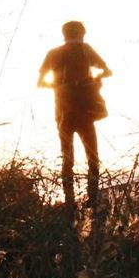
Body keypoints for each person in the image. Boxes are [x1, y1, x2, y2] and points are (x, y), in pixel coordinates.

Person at [38, 21, 112, 209]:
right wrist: (93, 81)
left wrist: (60, 87)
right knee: (93, 158)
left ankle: (69, 201)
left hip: (63, 113)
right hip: (85, 113)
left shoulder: (53, 53)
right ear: (81, 34)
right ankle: (92, 200)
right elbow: (107, 71)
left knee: (67, 158)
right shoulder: (86, 50)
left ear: (64, 34)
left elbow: (41, 83)